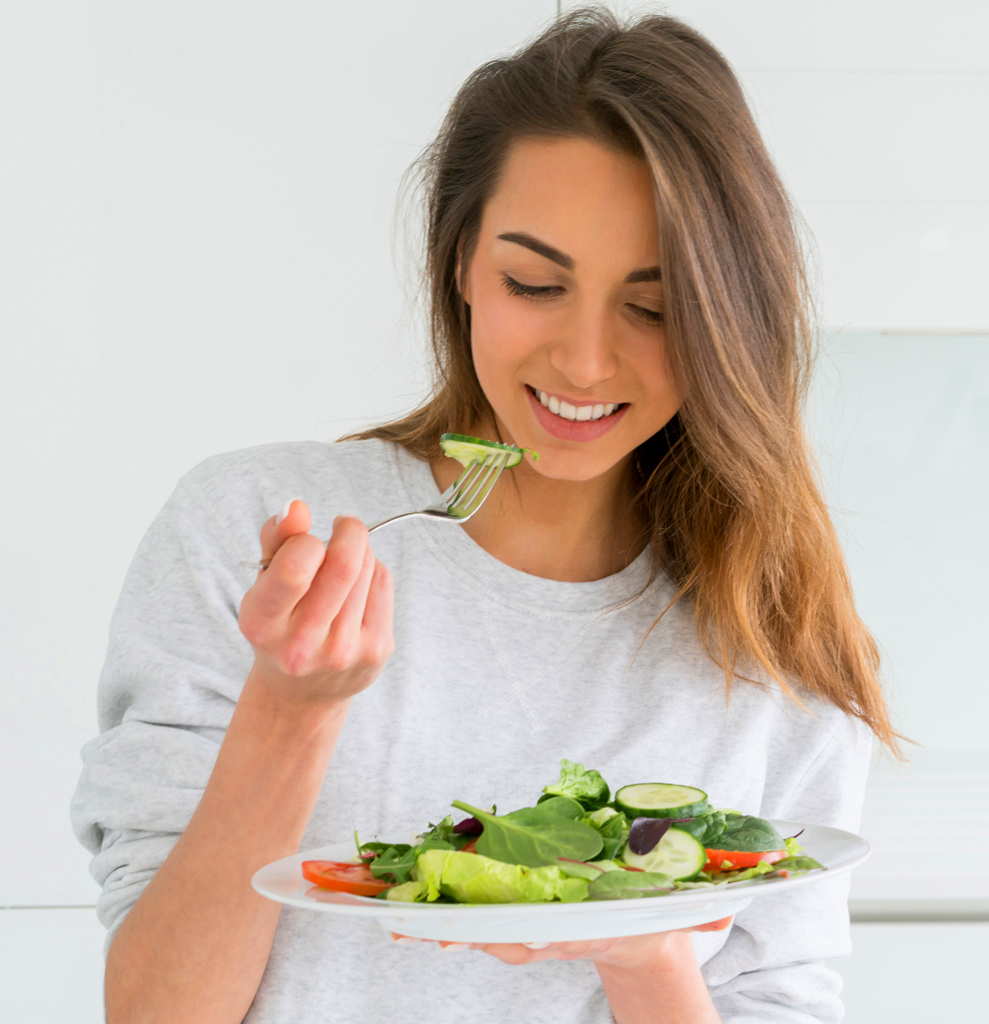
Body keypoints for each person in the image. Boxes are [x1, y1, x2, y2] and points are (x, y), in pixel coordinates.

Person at [72, 8, 898, 1023]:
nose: (585, 361)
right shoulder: (248, 527)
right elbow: (153, 1011)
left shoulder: (766, 627)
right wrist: (289, 714)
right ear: (461, 263)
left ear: (727, 316)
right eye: (534, 282)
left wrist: (644, 956)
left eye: (651, 305)